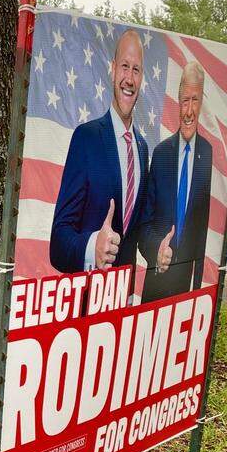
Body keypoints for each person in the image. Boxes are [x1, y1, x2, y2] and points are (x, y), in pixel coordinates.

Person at [50, 29, 151, 277]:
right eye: (124, 67)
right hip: (85, 299)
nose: (129, 78)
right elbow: (58, 242)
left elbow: (136, 233)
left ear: (142, 78)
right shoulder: (87, 138)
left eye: (136, 70)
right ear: (113, 69)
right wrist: (91, 246)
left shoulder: (142, 148)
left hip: (121, 301)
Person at [139, 61, 213, 302]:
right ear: (177, 103)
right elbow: (145, 223)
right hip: (157, 281)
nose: (189, 110)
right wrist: (156, 251)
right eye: (185, 101)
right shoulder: (160, 155)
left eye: (195, 100)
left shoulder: (208, 155)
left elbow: (203, 229)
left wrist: (199, 288)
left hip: (188, 287)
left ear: (201, 103)